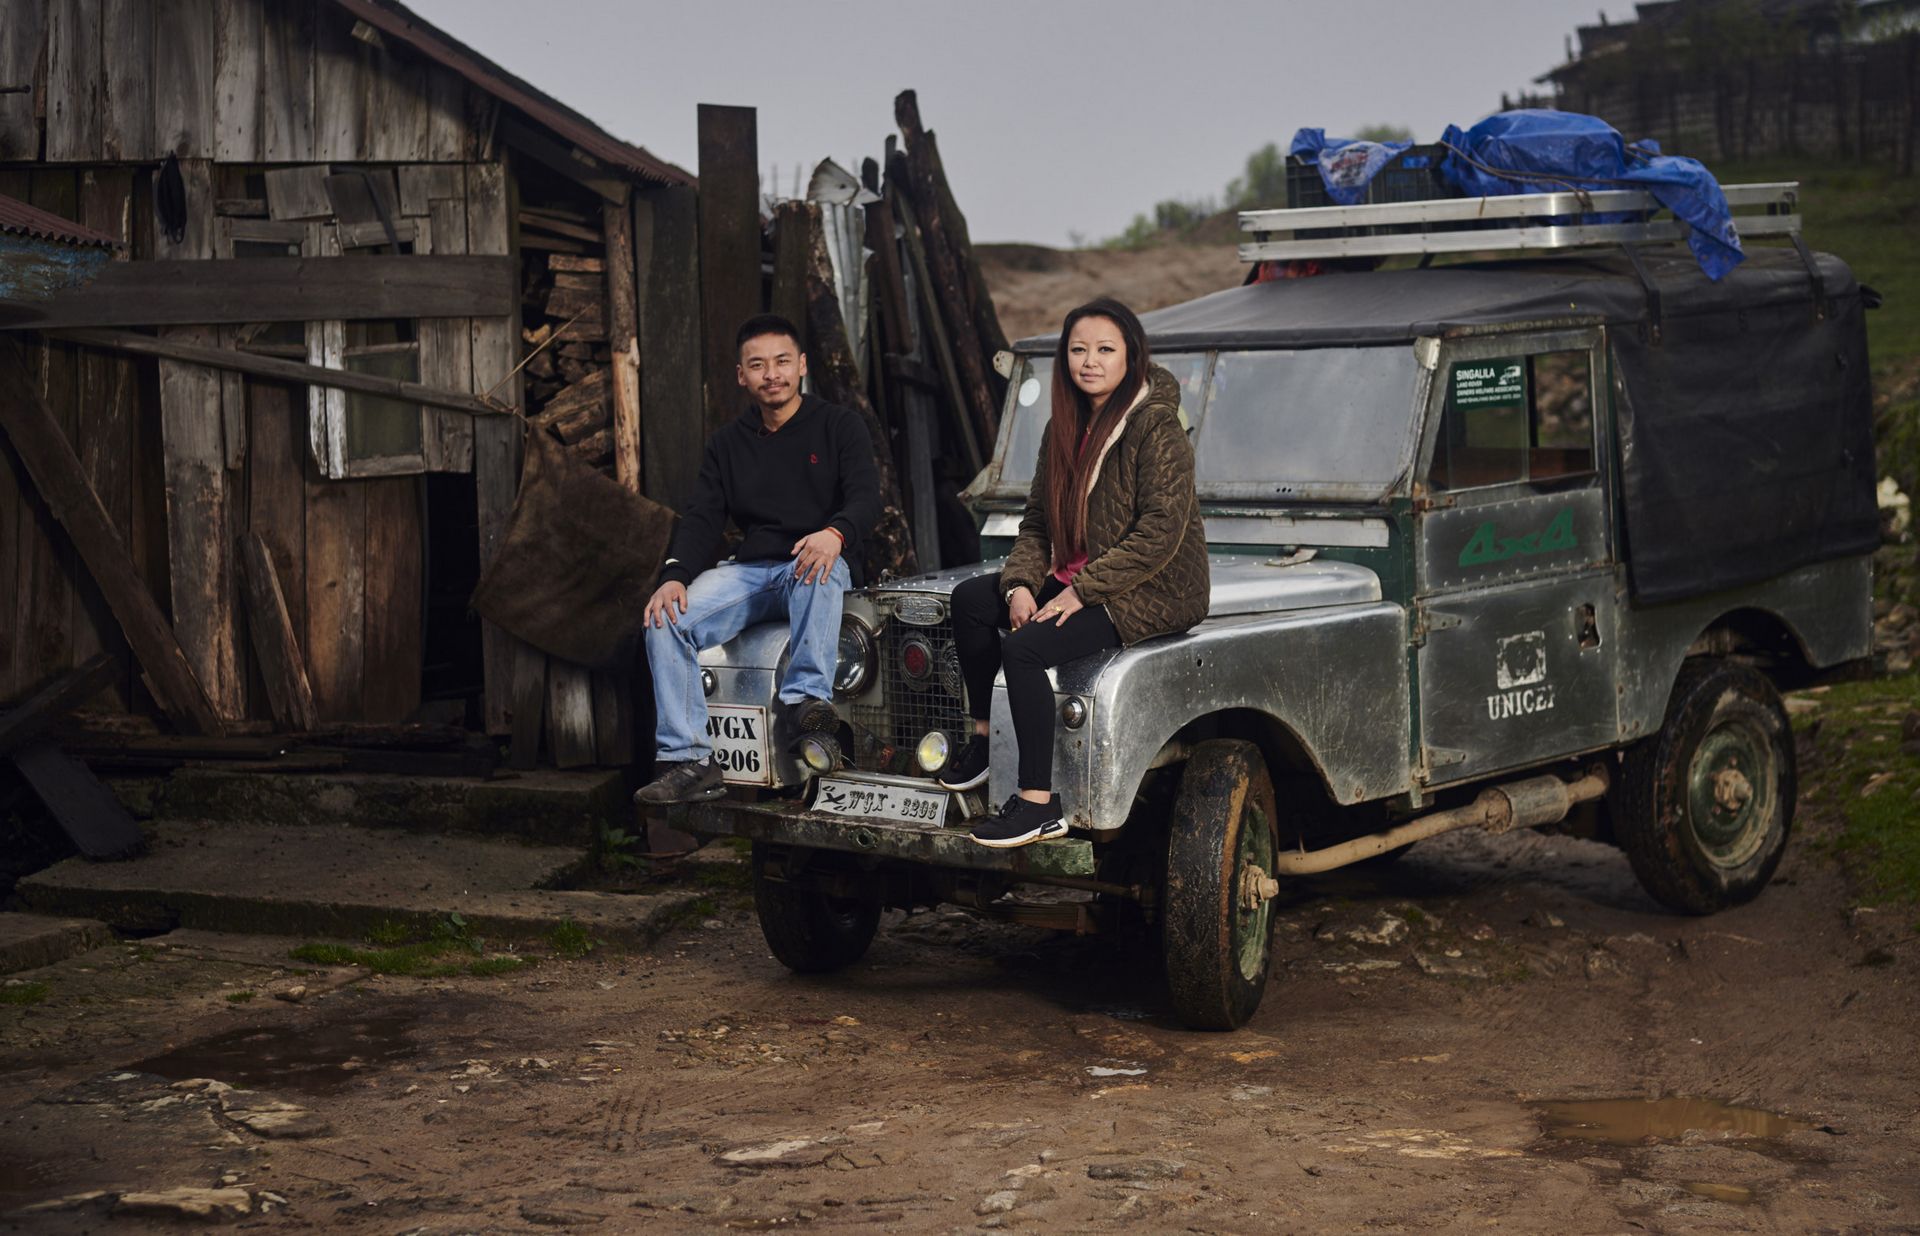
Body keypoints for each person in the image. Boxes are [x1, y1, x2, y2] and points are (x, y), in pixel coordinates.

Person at [942, 298, 1210, 847]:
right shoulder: (1061, 427)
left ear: (1130, 357)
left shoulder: (1156, 428)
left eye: (1105, 350)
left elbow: (1160, 532)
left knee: (1025, 649)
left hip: (1149, 589)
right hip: (1078, 579)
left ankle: (1039, 804)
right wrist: (1019, 584)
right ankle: (984, 742)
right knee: (972, 601)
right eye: (1079, 349)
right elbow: (1037, 523)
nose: (1090, 361)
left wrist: (1079, 594)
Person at [633, 314, 880, 805]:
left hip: (813, 565)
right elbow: (702, 518)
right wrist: (674, 575)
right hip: (751, 573)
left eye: (783, 361)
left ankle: (802, 705)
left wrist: (835, 533)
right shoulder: (727, 443)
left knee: (818, 564)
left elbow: (866, 499)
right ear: (741, 375)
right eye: (759, 365)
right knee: (665, 620)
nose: (773, 374)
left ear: (802, 366)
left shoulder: (839, 425)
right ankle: (691, 760)